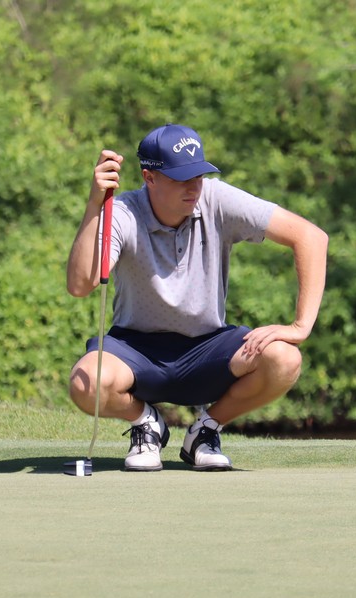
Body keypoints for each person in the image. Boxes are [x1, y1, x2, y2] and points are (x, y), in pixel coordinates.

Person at [66, 123, 328, 471]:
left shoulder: (216, 198)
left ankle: (205, 430)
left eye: (199, 175)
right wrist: (94, 205)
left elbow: (310, 237)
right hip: (134, 350)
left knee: (285, 359)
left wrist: (300, 326)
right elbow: (80, 285)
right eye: (181, 178)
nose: (194, 187)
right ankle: (146, 424)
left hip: (208, 349)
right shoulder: (124, 211)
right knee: (85, 384)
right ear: (149, 177)